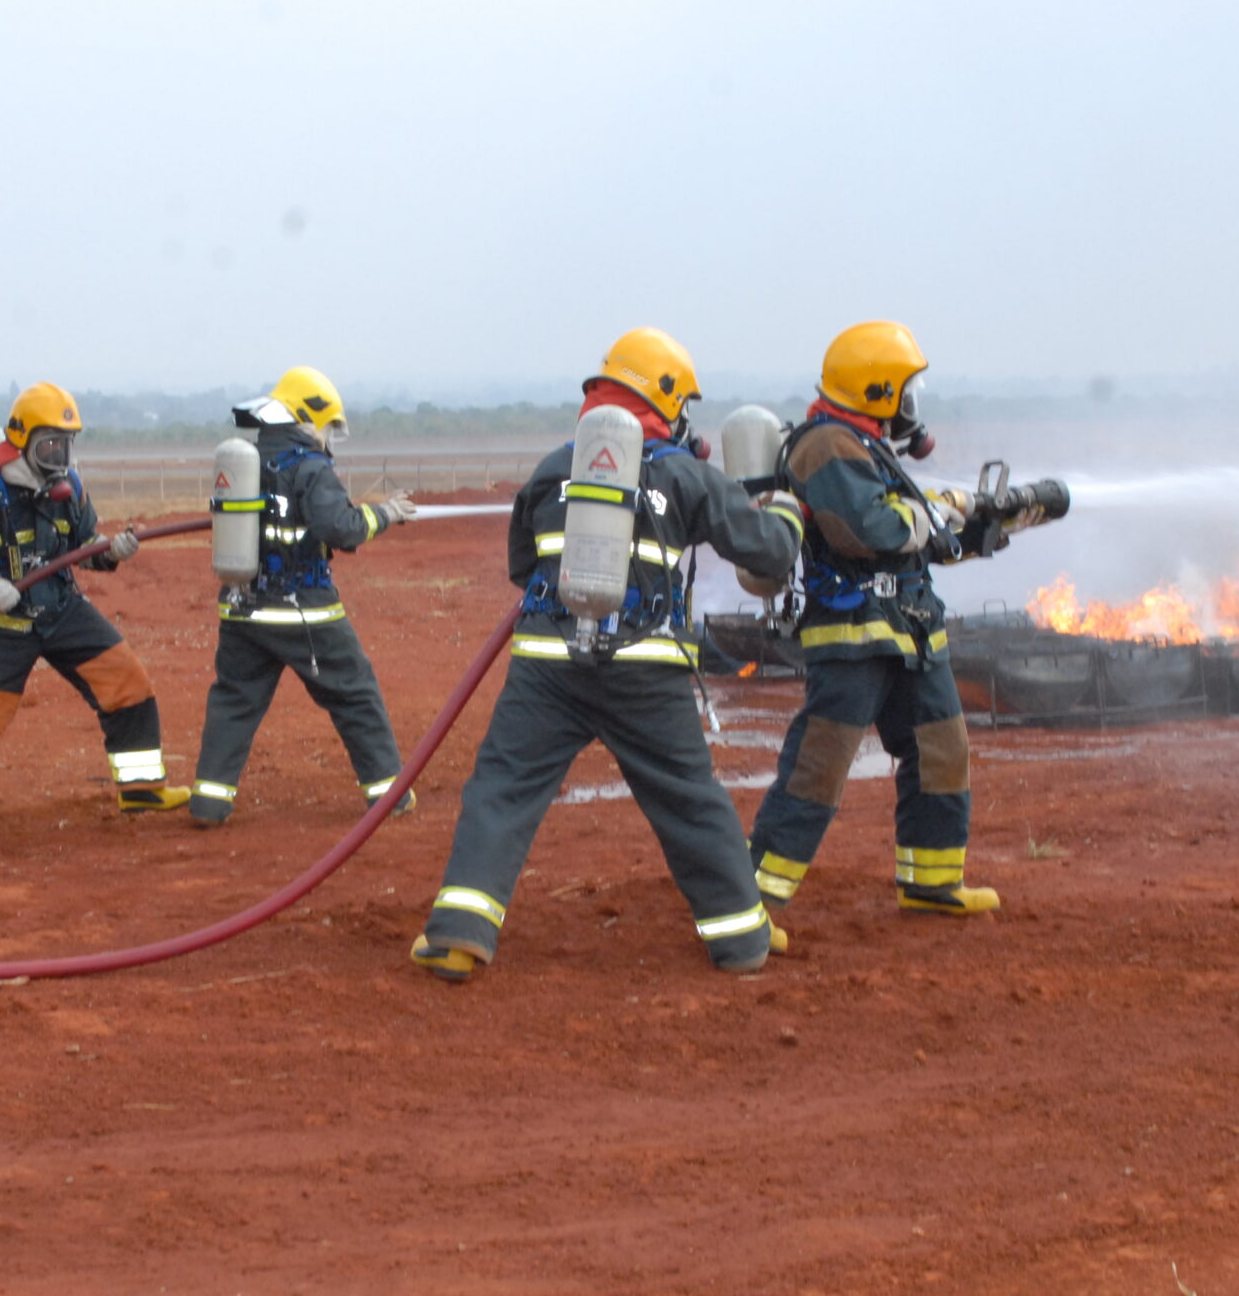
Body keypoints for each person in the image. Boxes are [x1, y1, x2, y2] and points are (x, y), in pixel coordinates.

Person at [412, 328, 803, 982]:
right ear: (667, 399)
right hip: (645, 667)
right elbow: (767, 552)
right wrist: (787, 510)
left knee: (503, 789)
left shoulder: (550, 468)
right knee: (687, 798)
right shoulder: (684, 473)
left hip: (547, 663)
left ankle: (459, 932)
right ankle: (741, 938)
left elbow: (521, 567)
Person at [747, 321, 998, 916]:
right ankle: (751, 899)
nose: (912, 406)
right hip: (854, 634)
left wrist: (974, 526)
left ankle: (932, 884)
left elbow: (914, 536)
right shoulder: (826, 445)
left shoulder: (867, 446)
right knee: (820, 765)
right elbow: (870, 530)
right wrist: (928, 512)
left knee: (941, 751)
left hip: (908, 630)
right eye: (905, 391)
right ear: (878, 389)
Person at [0, 382, 189, 839]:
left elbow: (83, 547)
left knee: (127, 682)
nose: (59, 456)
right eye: (49, 445)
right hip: (1, 623)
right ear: (21, 441)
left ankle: (141, 789)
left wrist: (112, 551)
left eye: (65, 445)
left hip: (62, 609)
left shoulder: (70, 488)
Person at [191, 366, 418, 826]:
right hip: (302, 610)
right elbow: (342, 528)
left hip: (241, 607)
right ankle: (388, 795)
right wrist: (385, 513)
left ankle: (208, 802)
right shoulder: (310, 467)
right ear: (308, 418)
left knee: (233, 702)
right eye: (329, 426)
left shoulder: (249, 461)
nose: (329, 437)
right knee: (355, 694)